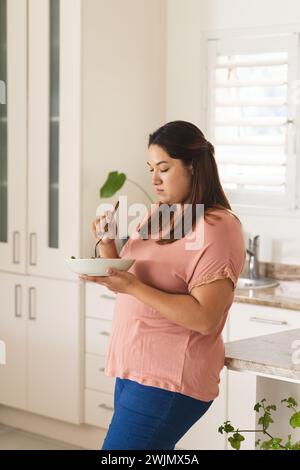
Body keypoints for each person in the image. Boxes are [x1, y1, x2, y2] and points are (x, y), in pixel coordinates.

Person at [80, 120, 246, 450]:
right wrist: (106, 246)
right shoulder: (162, 212)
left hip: (170, 376)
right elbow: (131, 276)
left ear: (194, 167)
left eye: (164, 168)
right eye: (151, 168)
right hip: (134, 367)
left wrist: (131, 287)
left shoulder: (216, 225)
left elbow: (205, 318)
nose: (154, 178)